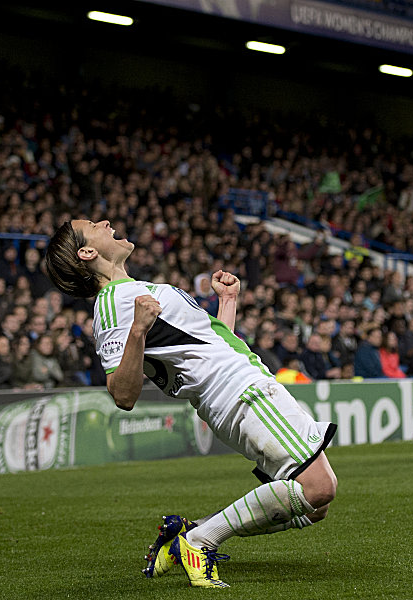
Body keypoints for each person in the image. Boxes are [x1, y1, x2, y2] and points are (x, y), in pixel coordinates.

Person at [45, 219, 337, 588]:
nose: (105, 222)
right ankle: (200, 541)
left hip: (237, 387)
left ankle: (191, 531)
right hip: (241, 391)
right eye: (93, 225)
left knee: (315, 507)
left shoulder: (137, 291)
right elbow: (122, 394)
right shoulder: (115, 304)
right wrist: (137, 329)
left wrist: (227, 303)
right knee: (319, 488)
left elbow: (209, 345)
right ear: (87, 252)